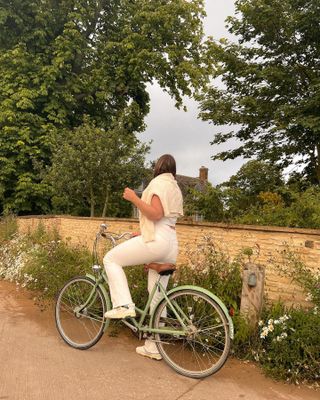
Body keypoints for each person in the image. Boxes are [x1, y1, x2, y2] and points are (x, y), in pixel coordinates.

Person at [103, 154, 183, 360]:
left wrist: (134, 198)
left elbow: (155, 213)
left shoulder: (158, 183)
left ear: (157, 168)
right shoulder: (175, 186)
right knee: (157, 297)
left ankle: (123, 305)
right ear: (173, 170)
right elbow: (164, 219)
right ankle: (154, 347)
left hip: (157, 242)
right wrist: (143, 232)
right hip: (171, 242)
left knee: (110, 259)